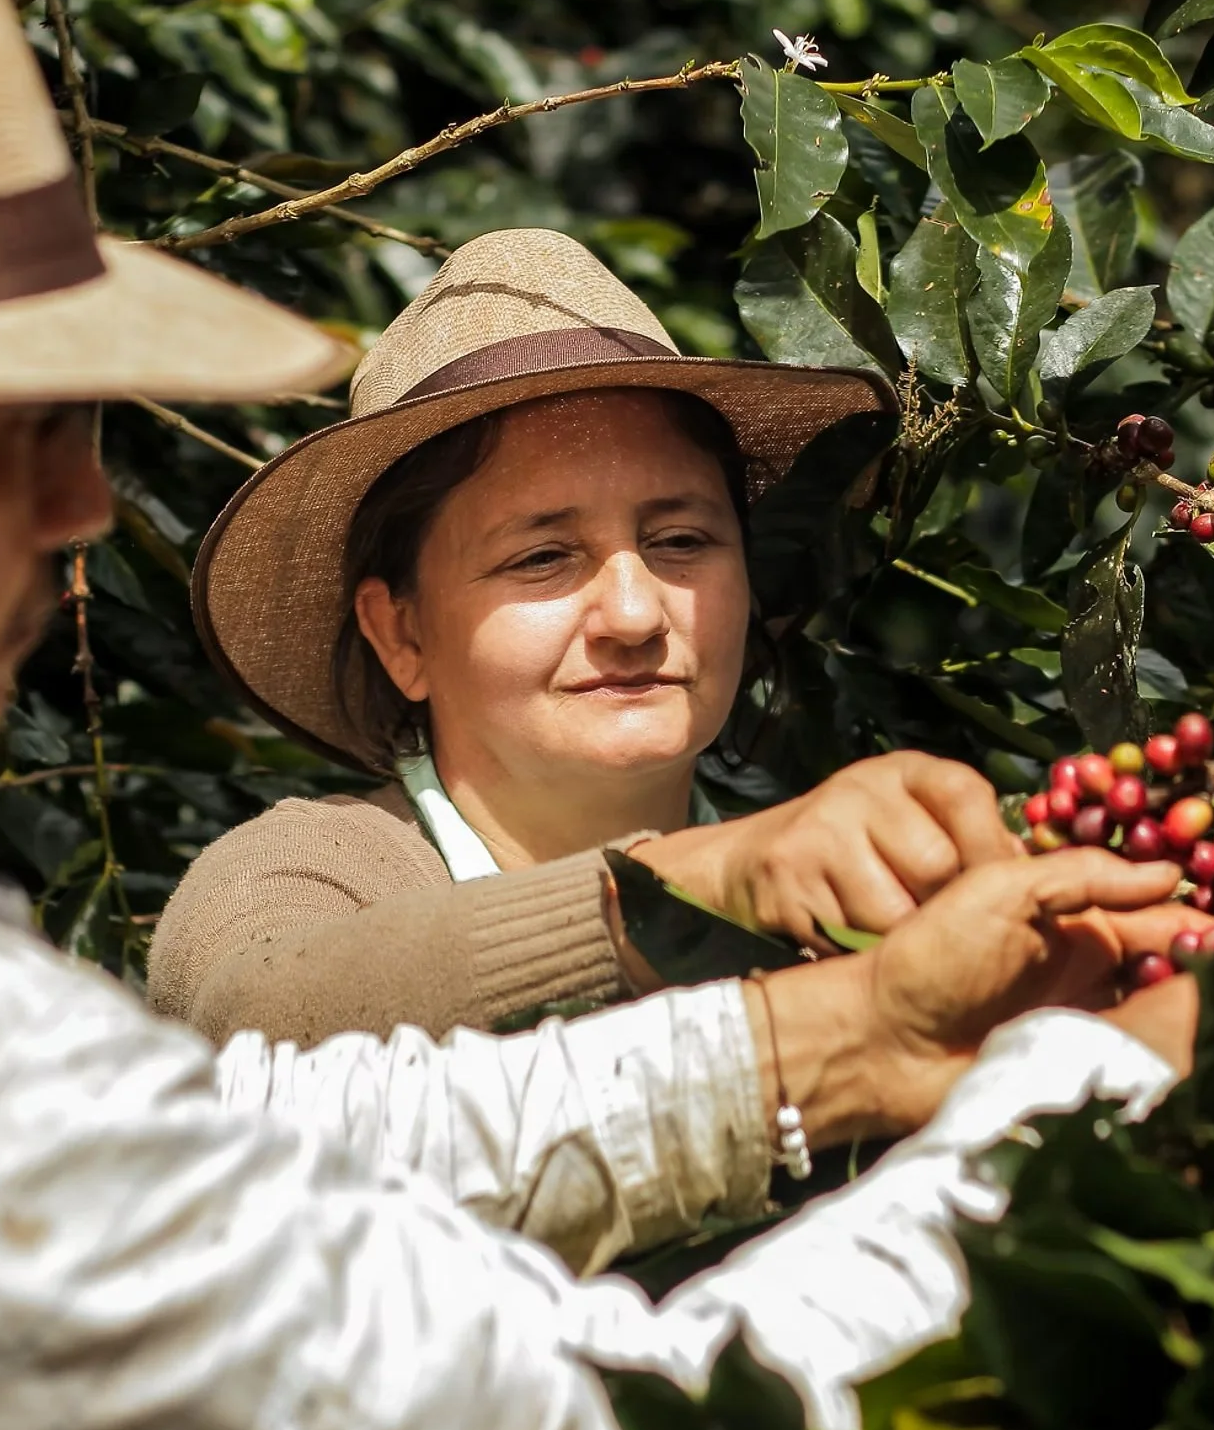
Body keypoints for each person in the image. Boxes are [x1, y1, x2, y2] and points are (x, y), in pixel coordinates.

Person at [0, 0, 1214, 1430]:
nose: (77, 505)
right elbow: (579, 1422)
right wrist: (1111, 1113)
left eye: (678, 538)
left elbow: (273, 1151)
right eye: (5, 434)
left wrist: (850, 1033)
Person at [151, 228, 1024, 1053]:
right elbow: (253, 1019)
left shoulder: (831, 899)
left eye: (680, 541)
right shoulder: (311, 872)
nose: (635, 616)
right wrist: (694, 888)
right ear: (401, 633)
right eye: (541, 558)